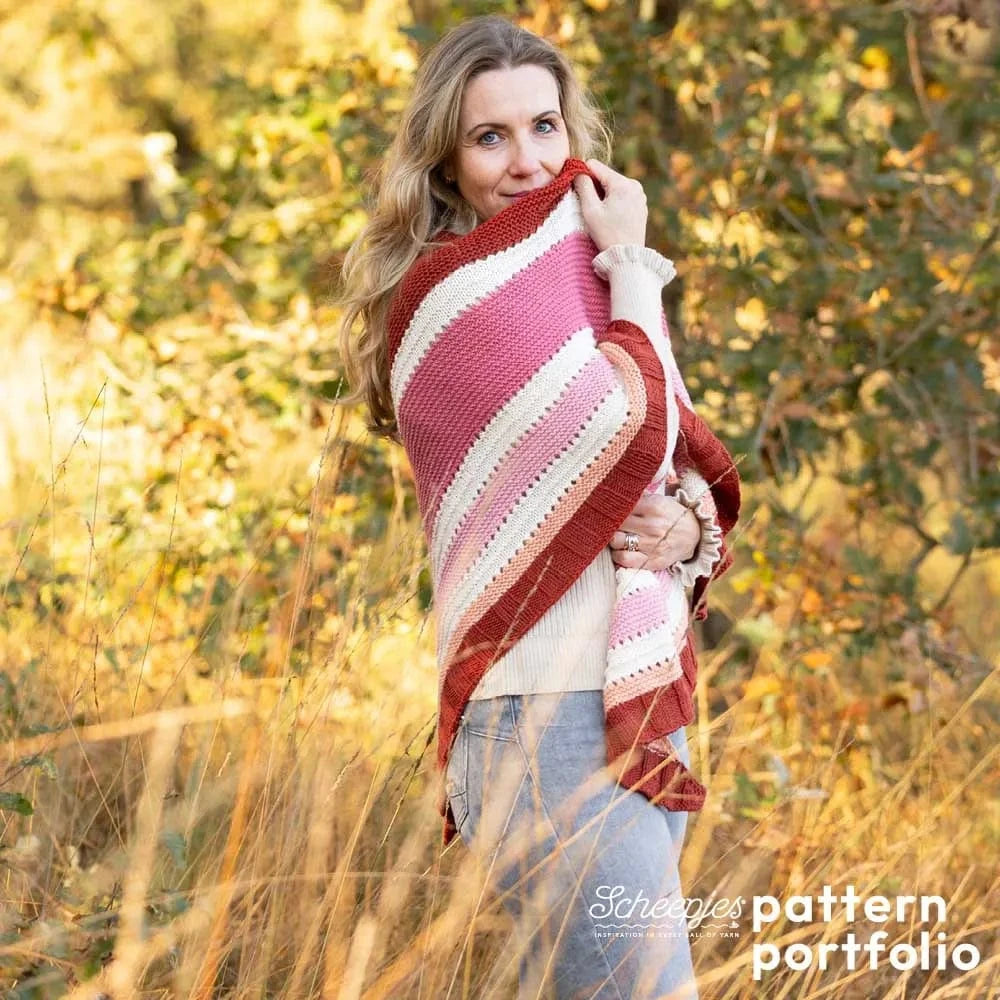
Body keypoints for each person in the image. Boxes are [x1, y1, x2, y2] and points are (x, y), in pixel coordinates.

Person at [336, 15, 740, 1000]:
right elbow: (625, 425)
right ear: (446, 159)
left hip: (635, 692)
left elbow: (674, 453)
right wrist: (634, 264)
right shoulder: (449, 301)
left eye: (544, 127)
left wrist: (687, 525)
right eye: (491, 137)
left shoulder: (584, 273)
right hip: (539, 714)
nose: (528, 162)